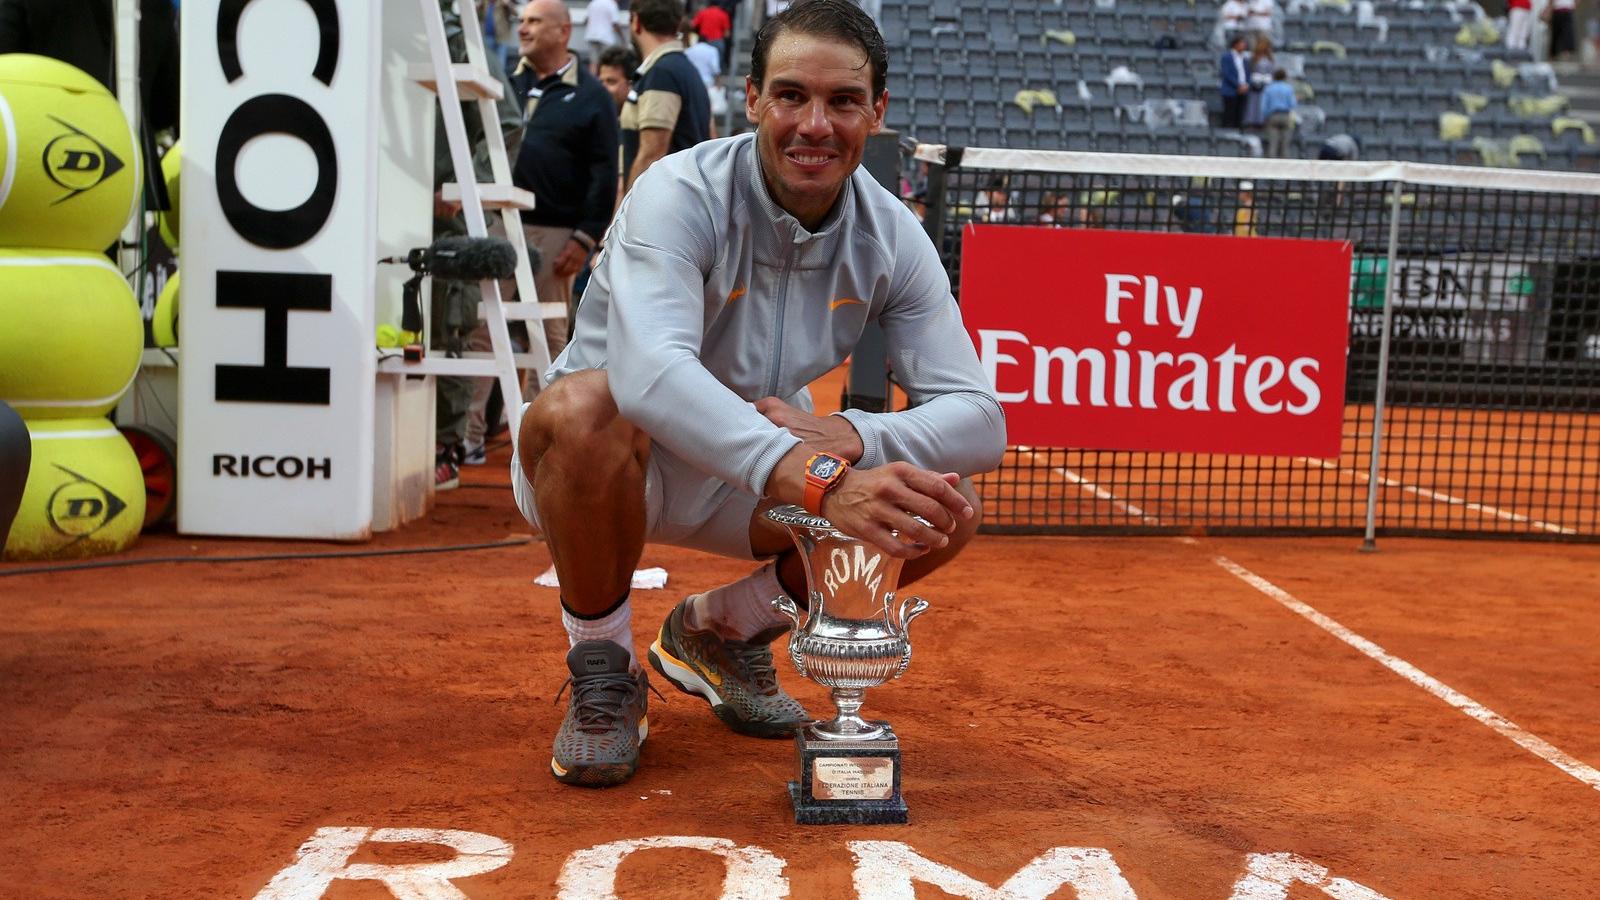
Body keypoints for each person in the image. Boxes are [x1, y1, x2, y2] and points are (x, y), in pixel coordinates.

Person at [513, 0, 1005, 786]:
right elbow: (652, 377)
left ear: (876, 112)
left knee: (947, 506)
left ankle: (722, 632)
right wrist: (814, 477)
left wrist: (853, 437)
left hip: (746, 476)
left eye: (843, 101)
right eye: (791, 96)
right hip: (602, 467)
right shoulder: (676, 193)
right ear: (751, 100)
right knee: (586, 405)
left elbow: (981, 420)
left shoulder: (892, 233)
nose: (816, 124)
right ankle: (602, 669)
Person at [505, 0, 622, 363]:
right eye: (522, 21)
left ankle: (539, 421)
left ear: (563, 31)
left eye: (535, 22)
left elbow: (604, 171)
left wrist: (584, 236)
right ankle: (477, 423)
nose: (523, 29)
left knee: (548, 335)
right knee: (480, 330)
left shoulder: (593, 95)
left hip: (556, 234)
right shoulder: (505, 84)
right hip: (499, 223)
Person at [622, 0, 713, 189]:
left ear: (636, 22)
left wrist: (627, 211)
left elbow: (652, 153)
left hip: (660, 204)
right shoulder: (686, 69)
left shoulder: (662, 73)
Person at [1260, 69, 1296, 158]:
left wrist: (1265, 117)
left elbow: (1264, 105)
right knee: (1285, 144)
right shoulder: (1288, 88)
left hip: (1273, 115)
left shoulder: (1269, 88)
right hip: (1285, 115)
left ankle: (1272, 165)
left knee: (1273, 143)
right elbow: (1293, 104)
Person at [1218, 35, 1251, 130]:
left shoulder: (1244, 58)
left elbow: (1247, 73)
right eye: (1242, 43)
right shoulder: (1227, 57)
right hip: (1230, 90)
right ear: (1235, 45)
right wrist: (1238, 85)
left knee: (1240, 114)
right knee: (1229, 113)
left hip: (1243, 90)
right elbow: (1227, 73)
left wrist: (1246, 85)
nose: (1244, 46)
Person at [584, 0, 625, 69]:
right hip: (606, 37)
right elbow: (615, 23)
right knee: (607, 61)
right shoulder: (611, 4)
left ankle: (592, 78)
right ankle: (605, 78)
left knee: (594, 62)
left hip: (591, 36)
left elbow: (586, 20)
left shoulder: (593, 3)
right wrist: (622, 37)